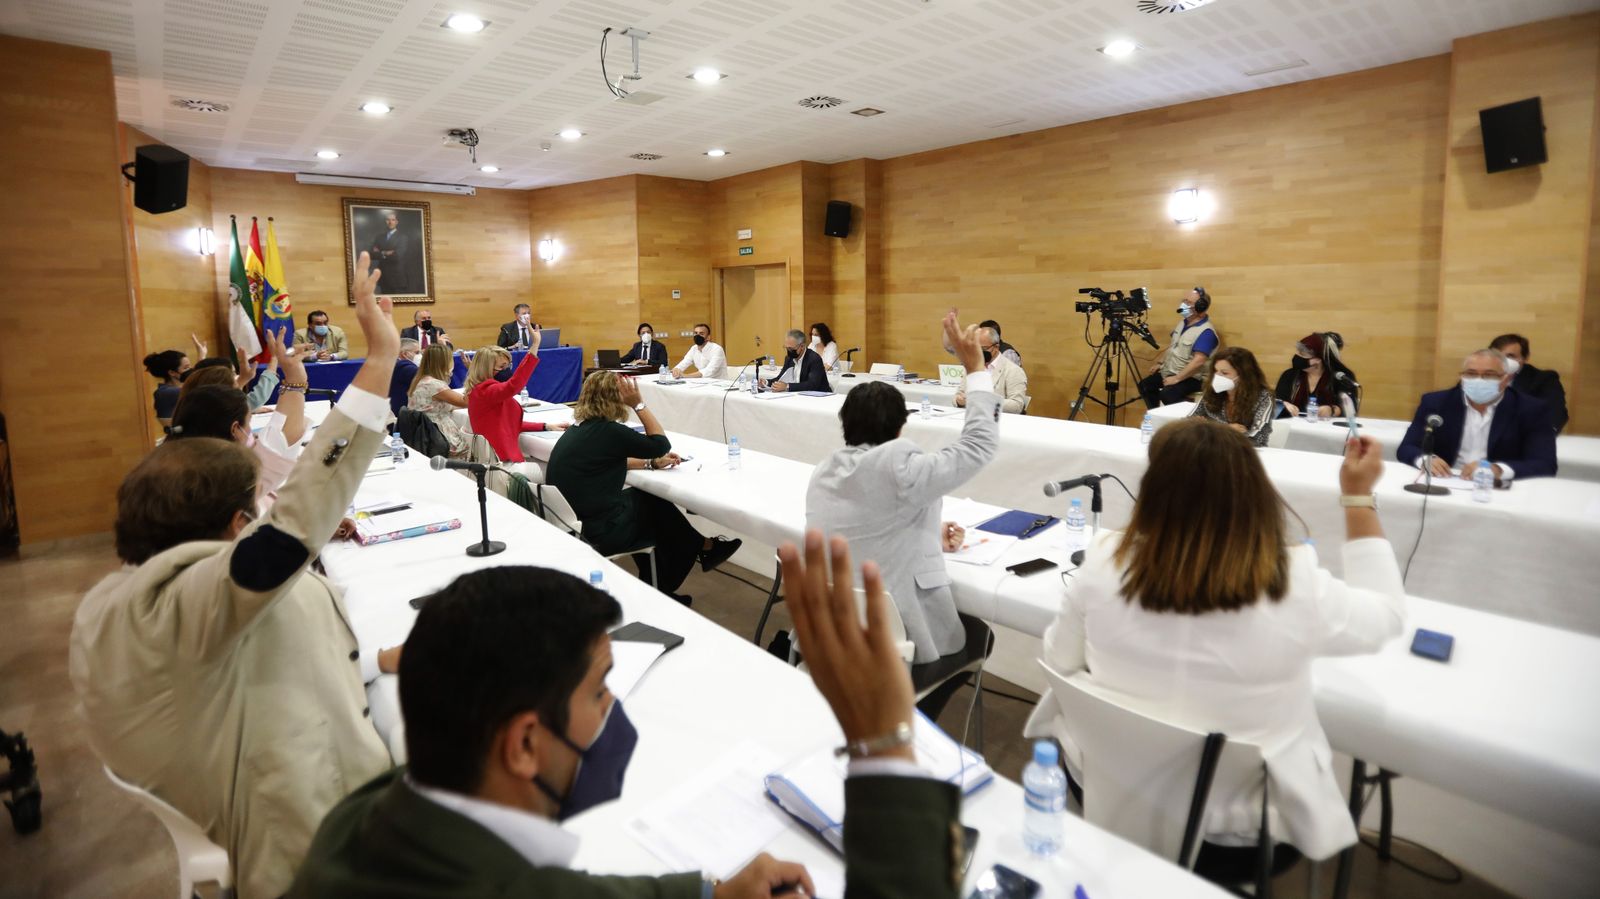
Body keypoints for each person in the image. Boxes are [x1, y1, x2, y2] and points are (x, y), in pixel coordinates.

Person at [288, 534, 964, 899]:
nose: (614, 709)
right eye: (601, 691)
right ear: (524, 742)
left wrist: (710, 894)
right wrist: (883, 748)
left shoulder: (371, 816)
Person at [69, 252, 402, 899]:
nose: (260, 521)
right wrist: (379, 361)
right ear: (232, 522)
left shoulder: (145, 596)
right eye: (253, 513)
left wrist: (372, 659)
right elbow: (279, 545)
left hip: (299, 771)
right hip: (308, 840)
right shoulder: (165, 608)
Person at [1024, 418, 1406, 864]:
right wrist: (1358, 497)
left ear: (1153, 489)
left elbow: (1058, 659)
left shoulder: (1105, 557)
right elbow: (1386, 616)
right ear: (1252, 490)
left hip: (1108, 792)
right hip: (1241, 832)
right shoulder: (1294, 579)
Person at [807, 311, 997, 716]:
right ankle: (912, 718)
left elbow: (873, 519)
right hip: (892, 645)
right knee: (981, 633)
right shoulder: (899, 464)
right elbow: (978, 446)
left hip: (834, 636)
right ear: (899, 428)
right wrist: (977, 369)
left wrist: (927, 527)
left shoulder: (826, 470)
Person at [546, 371, 741, 604]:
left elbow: (607, 460)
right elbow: (660, 444)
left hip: (572, 522)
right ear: (614, 397)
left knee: (652, 507)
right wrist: (638, 403)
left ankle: (677, 572)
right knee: (661, 517)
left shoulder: (580, 430)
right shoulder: (609, 431)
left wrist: (650, 463)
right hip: (597, 531)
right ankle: (695, 554)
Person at [1397, 348, 1558, 482]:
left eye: (1489, 375)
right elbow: (1407, 447)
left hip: (1495, 486)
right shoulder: (1436, 402)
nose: (1478, 380)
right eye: (1471, 374)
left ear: (1505, 379)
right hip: (1446, 480)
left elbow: (1545, 463)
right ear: (1462, 376)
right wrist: (1425, 459)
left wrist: (1497, 469)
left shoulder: (1531, 409)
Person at [465, 344, 567, 465]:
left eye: (508, 366)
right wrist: (534, 347)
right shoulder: (487, 391)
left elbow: (509, 423)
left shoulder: (483, 390)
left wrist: (546, 426)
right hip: (502, 462)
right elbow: (513, 385)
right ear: (486, 369)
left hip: (495, 458)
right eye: (502, 367)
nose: (507, 370)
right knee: (554, 465)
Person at [1139, 287, 1217, 408]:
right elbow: (1173, 346)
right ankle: (1155, 415)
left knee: (1168, 394)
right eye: (1184, 300)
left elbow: (1199, 361)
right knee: (1145, 386)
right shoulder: (1183, 323)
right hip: (1171, 371)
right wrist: (1160, 363)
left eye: (1189, 302)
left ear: (1201, 306)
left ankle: (1187, 420)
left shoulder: (1206, 332)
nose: (1184, 304)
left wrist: (1176, 379)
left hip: (1193, 378)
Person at [1190, 347, 1274, 447]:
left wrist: (1207, 428)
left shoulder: (1263, 397)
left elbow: (1256, 438)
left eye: (1224, 373)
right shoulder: (1211, 391)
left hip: (1246, 454)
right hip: (1212, 449)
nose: (1217, 377)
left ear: (1244, 375)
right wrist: (1223, 429)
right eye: (1216, 371)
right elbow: (1189, 423)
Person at [1490, 333, 1568, 432]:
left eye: (1510, 356)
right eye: (1497, 355)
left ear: (1525, 358)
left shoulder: (1544, 379)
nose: (1503, 360)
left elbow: (1556, 413)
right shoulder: (1478, 375)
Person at [408, 344, 470, 459]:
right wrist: (472, 371)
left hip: (423, 432)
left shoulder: (420, 380)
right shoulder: (434, 384)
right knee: (473, 443)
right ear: (444, 363)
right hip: (436, 435)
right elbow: (466, 401)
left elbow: (439, 406)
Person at [1273, 332, 1356, 418]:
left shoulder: (1341, 378)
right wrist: (1283, 404)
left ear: (1318, 359)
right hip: (1293, 426)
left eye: (1302, 354)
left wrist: (1332, 410)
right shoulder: (1289, 375)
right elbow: (1276, 402)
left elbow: (1350, 408)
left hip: (1327, 429)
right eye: (1298, 352)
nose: (1297, 356)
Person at [955, 325, 1028, 413]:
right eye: (975, 348)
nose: (978, 352)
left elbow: (1017, 405)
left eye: (983, 348)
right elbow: (958, 394)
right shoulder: (971, 366)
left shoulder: (1013, 371)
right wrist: (959, 401)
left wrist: (985, 401)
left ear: (996, 347)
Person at [762, 329, 830, 393]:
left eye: (791, 348)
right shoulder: (789, 358)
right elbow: (780, 379)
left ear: (802, 346)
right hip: (798, 395)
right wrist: (766, 382)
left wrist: (787, 386)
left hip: (820, 397)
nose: (789, 351)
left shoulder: (814, 359)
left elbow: (812, 384)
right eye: (786, 348)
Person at [367, 210, 416, 295]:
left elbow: (397, 256)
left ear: (397, 222)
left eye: (393, 220)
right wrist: (385, 253)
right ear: (385, 222)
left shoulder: (402, 237)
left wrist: (380, 253)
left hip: (397, 279)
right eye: (388, 220)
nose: (390, 222)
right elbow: (371, 254)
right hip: (383, 278)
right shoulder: (379, 237)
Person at [144, 348, 192, 426]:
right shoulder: (168, 392)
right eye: (186, 368)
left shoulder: (179, 388)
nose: (190, 370)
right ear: (172, 372)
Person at [388, 338, 419, 416]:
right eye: (417, 352)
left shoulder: (391, 364)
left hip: (392, 410)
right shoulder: (408, 368)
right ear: (404, 354)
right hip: (404, 414)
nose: (420, 355)